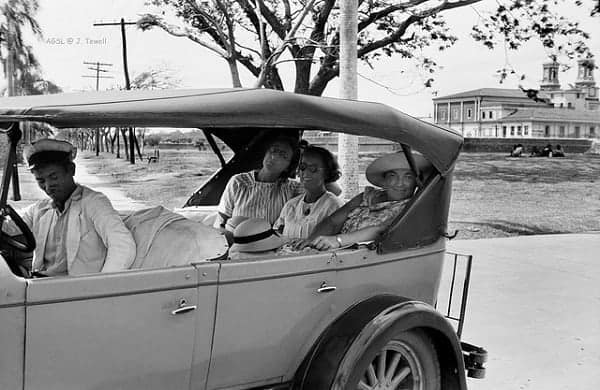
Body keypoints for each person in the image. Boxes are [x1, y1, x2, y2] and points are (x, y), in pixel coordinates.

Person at [11, 138, 136, 276]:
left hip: (75, 291)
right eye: (41, 180)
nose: (47, 187)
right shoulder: (40, 209)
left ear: (71, 170)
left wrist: (101, 286)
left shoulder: (94, 202)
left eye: (53, 177)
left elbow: (123, 245)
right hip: (39, 285)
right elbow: (12, 224)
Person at [296, 152, 427, 251]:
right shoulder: (366, 196)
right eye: (393, 176)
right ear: (385, 180)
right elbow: (333, 221)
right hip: (334, 254)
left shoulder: (411, 207)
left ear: (416, 182)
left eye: (408, 177)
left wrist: (338, 240)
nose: (400, 183)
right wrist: (312, 241)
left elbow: (380, 230)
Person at [215, 136, 340, 229]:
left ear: (289, 166)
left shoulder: (292, 188)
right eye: (273, 150)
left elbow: (334, 190)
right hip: (233, 245)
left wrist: (311, 159)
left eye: (283, 155)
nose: (274, 157)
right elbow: (221, 219)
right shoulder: (239, 182)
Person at [274, 146, 343, 239]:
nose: (305, 172)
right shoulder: (291, 205)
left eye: (313, 168)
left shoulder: (334, 206)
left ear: (326, 173)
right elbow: (277, 233)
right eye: (303, 167)